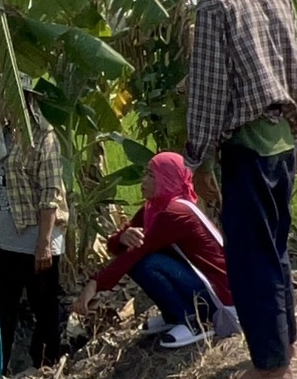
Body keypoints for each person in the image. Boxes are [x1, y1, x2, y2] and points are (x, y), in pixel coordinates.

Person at [185, 0, 297, 379]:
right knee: (276, 248)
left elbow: (210, 90)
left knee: (249, 256)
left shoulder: (215, 3)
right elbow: (295, 71)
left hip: (248, 146)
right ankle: (285, 342)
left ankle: (270, 364)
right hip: (283, 138)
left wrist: (194, 156)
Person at [78, 151, 239, 352]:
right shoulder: (153, 207)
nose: (143, 180)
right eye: (146, 174)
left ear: (167, 179)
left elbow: (135, 253)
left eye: (151, 176)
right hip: (203, 284)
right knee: (143, 260)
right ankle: (174, 316)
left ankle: (193, 321)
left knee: (144, 263)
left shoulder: (173, 213)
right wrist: (122, 236)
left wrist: (94, 284)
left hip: (222, 294)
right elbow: (116, 248)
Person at [0, 89, 69, 373]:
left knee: (44, 310)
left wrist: (44, 243)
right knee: (2, 311)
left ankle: (47, 369)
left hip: (37, 239)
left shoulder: (44, 138)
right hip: (6, 239)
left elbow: (50, 194)